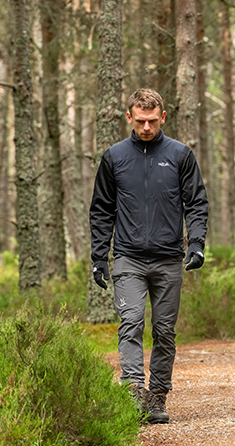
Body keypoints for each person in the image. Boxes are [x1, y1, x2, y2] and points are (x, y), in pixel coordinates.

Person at [89, 88, 209, 424]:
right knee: (130, 323)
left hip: (169, 258)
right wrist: (100, 256)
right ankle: (132, 391)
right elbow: (101, 209)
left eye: (152, 121)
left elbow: (197, 202)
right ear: (129, 117)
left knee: (164, 330)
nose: (146, 127)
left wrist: (196, 243)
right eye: (140, 121)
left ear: (163, 118)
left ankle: (157, 396)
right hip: (127, 257)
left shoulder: (180, 155)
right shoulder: (114, 157)